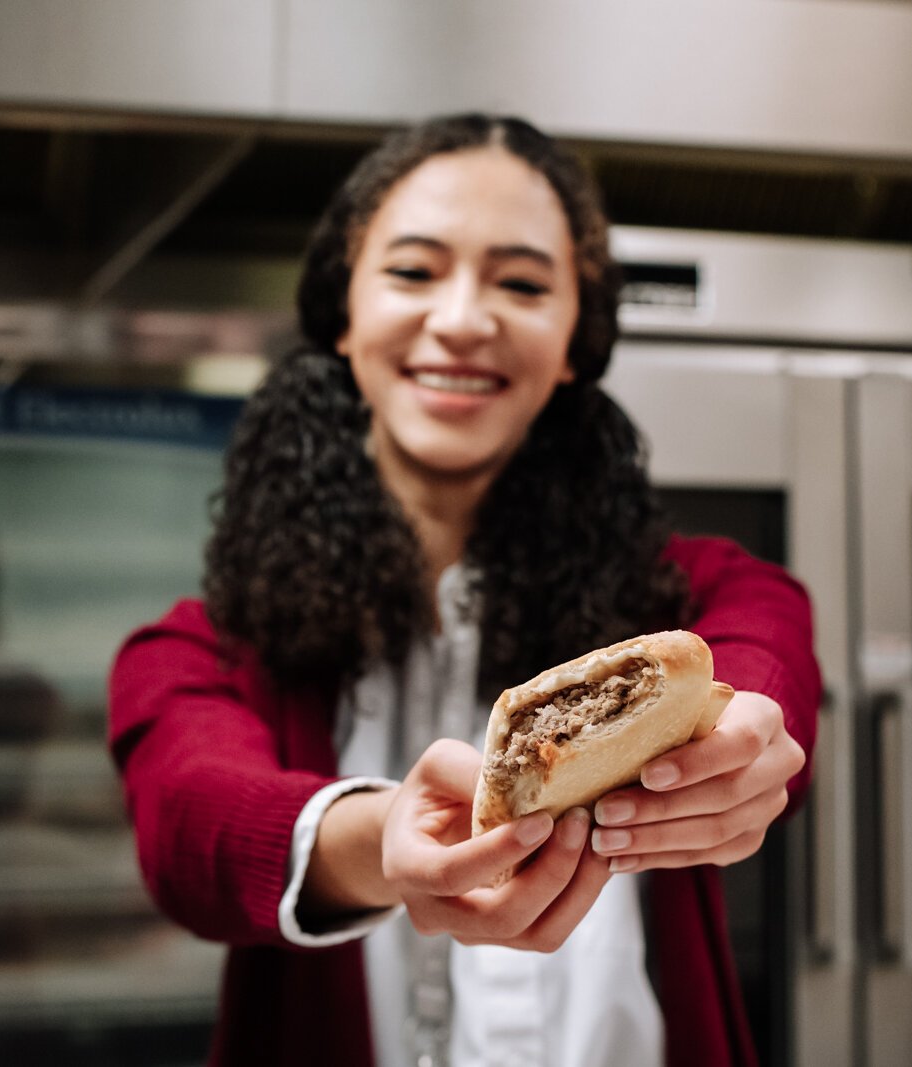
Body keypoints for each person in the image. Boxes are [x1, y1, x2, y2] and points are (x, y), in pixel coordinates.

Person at [108, 114, 820, 1067]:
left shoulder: (696, 591)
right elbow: (186, 822)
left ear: (574, 339)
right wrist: (377, 841)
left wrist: (745, 742)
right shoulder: (200, 651)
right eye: (413, 272)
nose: (462, 319)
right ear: (343, 318)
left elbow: (764, 649)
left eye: (522, 283)